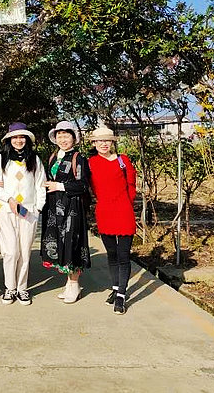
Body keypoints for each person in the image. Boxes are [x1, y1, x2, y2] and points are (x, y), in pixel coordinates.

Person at [0, 122, 46, 306]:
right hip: (7, 210)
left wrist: (38, 207)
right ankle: (10, 288)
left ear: (27, 139)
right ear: (9, 140)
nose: (19, 140)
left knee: (24, 252)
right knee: (10, 252)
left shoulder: (34, 159)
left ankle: (22, 288)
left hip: (29, 211)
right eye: (15, 137)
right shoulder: (1, 159)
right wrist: (9, 199)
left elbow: (40, 184)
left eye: (22, 137)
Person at [40, 120, 91, 304]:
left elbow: (83, 185)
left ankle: (75, 284)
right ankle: (69, 284)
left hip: (72, 208)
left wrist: (59, 186)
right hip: (55, 208)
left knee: (72, 244)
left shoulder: (78, 158)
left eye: (66, 135)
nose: (63, 139)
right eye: (59, 136)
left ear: (73, 138)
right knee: (61, 244)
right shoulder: (54, 157)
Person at [88, 126, 137, 315]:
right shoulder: (91, 163)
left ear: (112, 142)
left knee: (123, 255)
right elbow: (90, 186)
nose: (104, 144)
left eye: (107, 140)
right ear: (94, 143)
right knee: (112, 254)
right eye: (99, 141)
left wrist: (125, 202)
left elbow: (131, 184)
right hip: (104, 212)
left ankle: (121, 296)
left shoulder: (123, 160)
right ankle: (116, 288)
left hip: (124, 212)